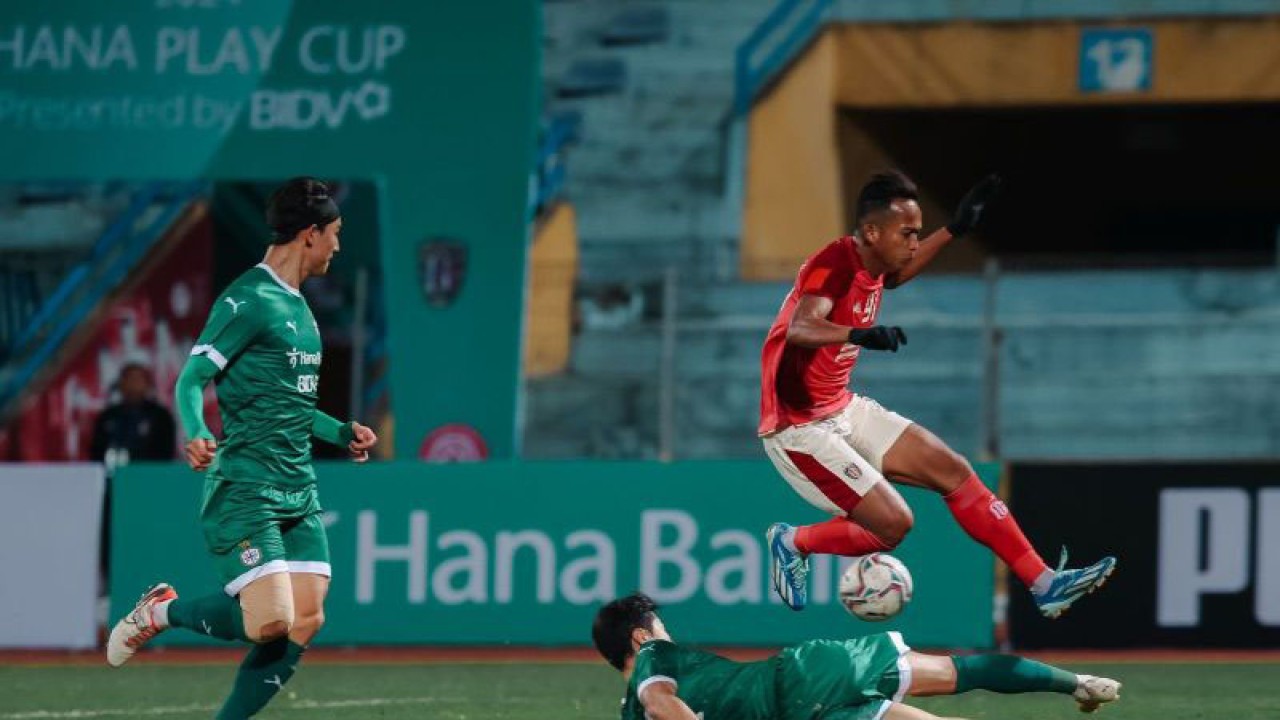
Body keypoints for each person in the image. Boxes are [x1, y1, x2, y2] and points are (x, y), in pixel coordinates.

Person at [759, 171, 1114, 618]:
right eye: (907, 233)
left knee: (954, 471)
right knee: (894, 524)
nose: (913, 242)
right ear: (871, 231)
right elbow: (801, 327)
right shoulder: (833, 263)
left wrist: (955, 230)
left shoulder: (871, 266)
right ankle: (792, 541)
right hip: (798, 428)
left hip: (841, 407)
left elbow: (896, 276)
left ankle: (1044, 583)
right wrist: (861, 334)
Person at [104, 177, 378, 720]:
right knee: (270, 621)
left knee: (307, 618)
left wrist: (342, 434)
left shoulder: (301, 309)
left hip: (297, 486)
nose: (339, 246)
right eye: (336, 234)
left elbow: (292, 409)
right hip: (246, 485)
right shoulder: (248, 298)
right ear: (309, 234)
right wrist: (194, 429)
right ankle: (162, 613)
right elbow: (190, 378)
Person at [593, 592, 1121, 720]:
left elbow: (660, 706)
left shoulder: (628, 711)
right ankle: (1075, 682)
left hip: (799, 708)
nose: (666, 632)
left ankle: (1073, 684)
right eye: (658, 626)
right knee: (958, 671)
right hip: (805, 679)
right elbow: (662, 701)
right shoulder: (653, 660)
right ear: (640, 638)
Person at [89, 361, 177, 470]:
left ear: (147, 384)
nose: (133, 385)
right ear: (121, 384)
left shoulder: (160, 416)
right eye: (129, 379)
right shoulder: (107, 416)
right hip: (111, 475)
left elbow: (165, 454)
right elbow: (96, 453)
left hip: (149, 475)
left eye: (138, 380)